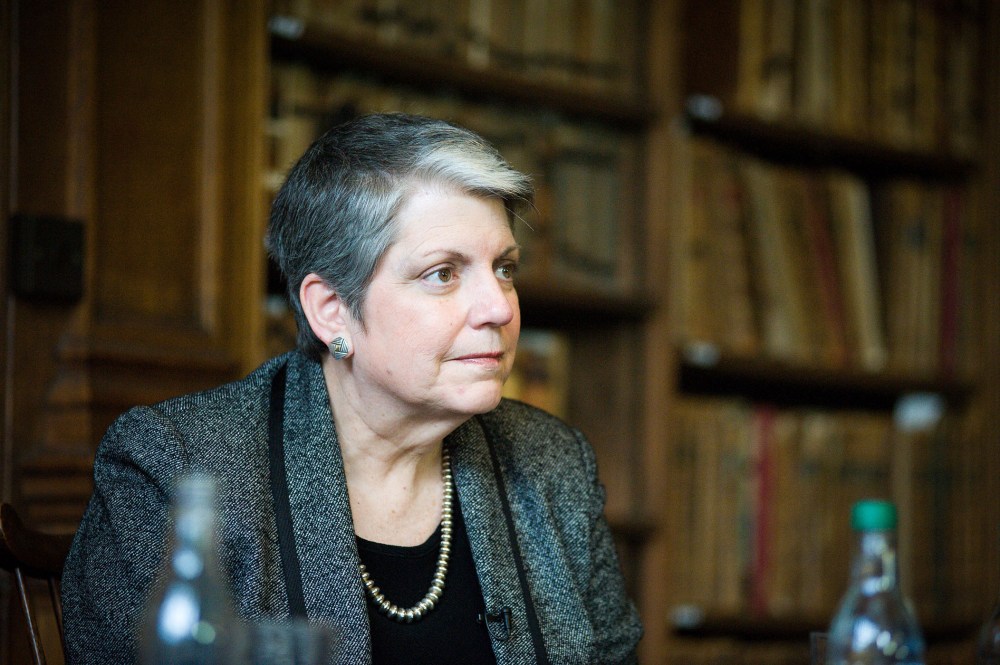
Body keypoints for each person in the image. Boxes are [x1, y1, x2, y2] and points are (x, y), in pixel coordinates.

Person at [61, 112, 643, 664]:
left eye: (504, 268)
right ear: (332, 311)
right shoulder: (177, 467)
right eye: (443, 273)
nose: (498, 307)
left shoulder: (552, 463)